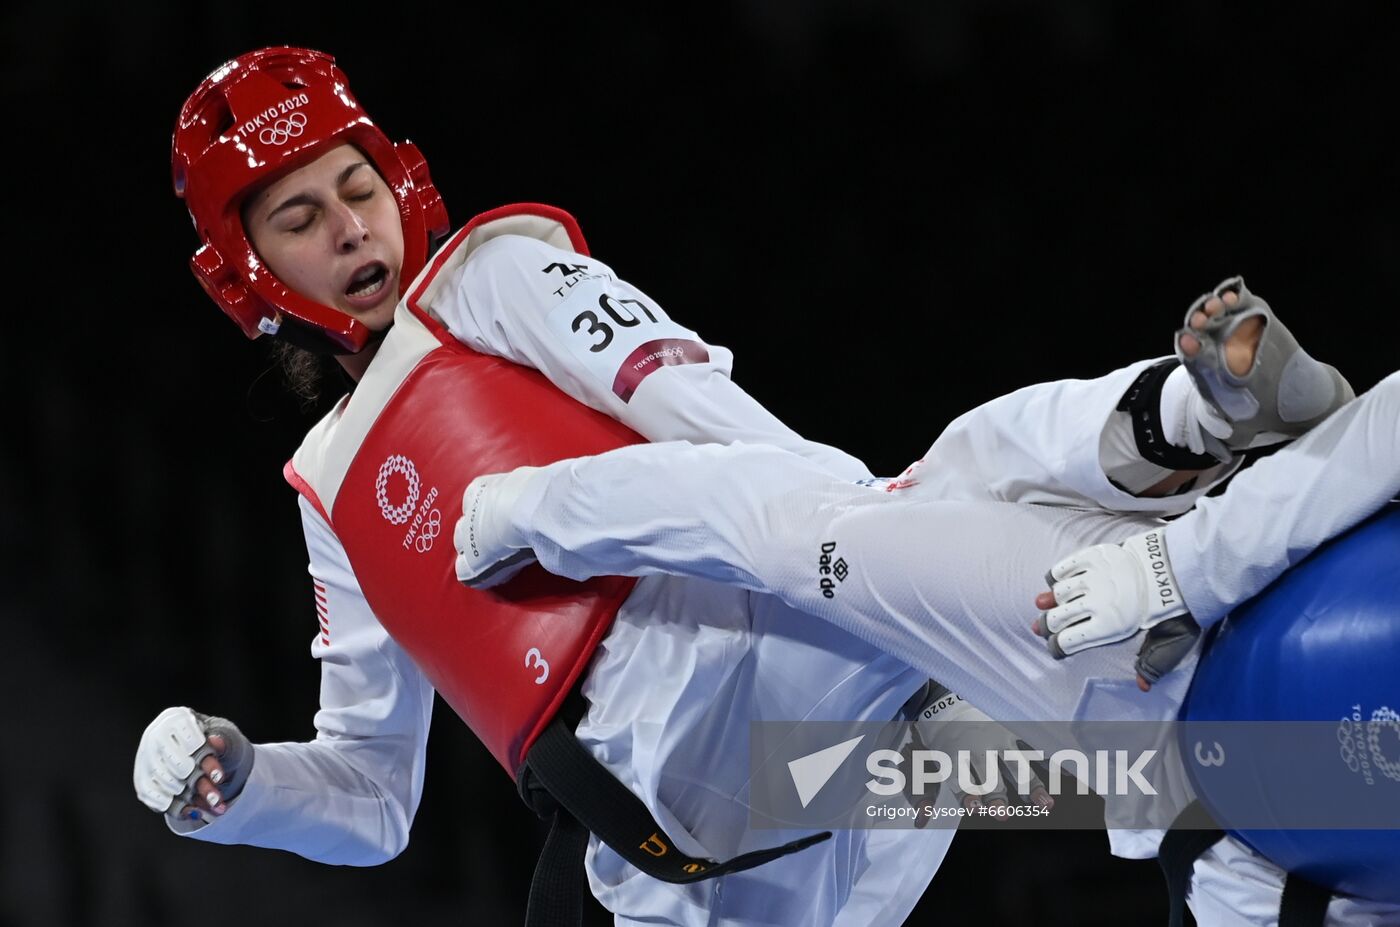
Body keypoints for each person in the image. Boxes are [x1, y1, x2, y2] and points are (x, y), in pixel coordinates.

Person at [134, 46, 1340, 926]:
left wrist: (876, 560)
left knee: (955, 522)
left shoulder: (492, 280)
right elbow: (366, 802)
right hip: (704, 825)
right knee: (1055, 742)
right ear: (245, 272)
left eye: (356, 189)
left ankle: (1193, 446)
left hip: (761, 660)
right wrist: (235, 787)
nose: (351, 229)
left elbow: (728, 434)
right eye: (300, 217)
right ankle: (1174, 449)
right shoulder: (328, 493)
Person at [452, 290, 1397, 926]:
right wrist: (1178, 570)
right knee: (810, 532)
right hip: (1150, 642)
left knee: (940, 497)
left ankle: (1180, 417)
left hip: (1162, 747)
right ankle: (1184, 420)